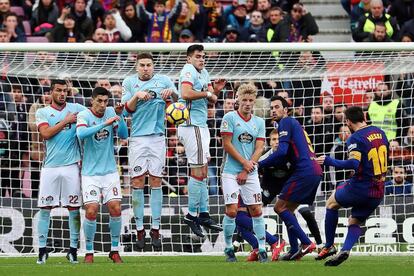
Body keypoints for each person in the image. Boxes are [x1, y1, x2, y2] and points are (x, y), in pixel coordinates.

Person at [316, 106, 389, 266]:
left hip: (361, 186)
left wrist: (329, 161)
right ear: (363, 116)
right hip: (378, 190)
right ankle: (346, 249)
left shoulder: (355, 138)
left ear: (348, 121)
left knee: (331, 203)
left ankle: (328, 246)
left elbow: (353, 164)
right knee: (354, 221)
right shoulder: (381, 132)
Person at [122, 52, 178, 250]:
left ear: (153, 66)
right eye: (142, 65)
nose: (146, 68)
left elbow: (180, 100)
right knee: (137, 180)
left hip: (158, 138)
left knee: (155, 180)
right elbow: (125, 110)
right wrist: (137, 96)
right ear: (136, 67)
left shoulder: (164, 80)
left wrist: (171, 93)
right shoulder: (129, 83)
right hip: (137, 138)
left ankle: (155, 228)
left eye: (149, 65)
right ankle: (139, 230)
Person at [258, 95, 322, 261]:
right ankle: (294, 249)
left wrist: (259, 164)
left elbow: (281, 152)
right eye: (271, 107)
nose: (273, 110)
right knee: (289, 210)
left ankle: (306, 243)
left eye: (277, 107)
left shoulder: (286, 122)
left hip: (304, 171)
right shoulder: (294, 124)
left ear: (286, 110)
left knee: (279, 207)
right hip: (314, 170)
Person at [35, 79, 86, 264]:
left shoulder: (78, 108)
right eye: (58, 90)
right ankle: (42, 250)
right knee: (45, 208)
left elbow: (95, 113)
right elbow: (46, 134)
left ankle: (73, 250)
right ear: (51, 92)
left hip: (72, 166)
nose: (62, 93)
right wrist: (66, 121)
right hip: (50, 167)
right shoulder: (42, 112)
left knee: (73, 208)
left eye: (65, 90)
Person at [177, 44, 225, 237]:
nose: (201, 59)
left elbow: (212, 98)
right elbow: (185, 93)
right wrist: (207, 93)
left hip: (201, 125)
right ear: (189, 58)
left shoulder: (204, 72)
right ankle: (190, 215)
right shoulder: (188, 70)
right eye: (198, 56)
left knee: (203, 171)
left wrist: (217, 91)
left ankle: (204, 214)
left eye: (203, 56)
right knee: (197, 171)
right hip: (191, 125)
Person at [76, 87, 127, 263]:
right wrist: (105, 124)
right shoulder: (84, 115)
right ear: (92, 100)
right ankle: (89, 252)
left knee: (116, 208)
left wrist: (119, 119)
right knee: (91, 211)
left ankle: (114, 250)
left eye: (106, 101)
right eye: (100, 101)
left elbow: (123, 134)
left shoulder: (111, 111)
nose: (103, 105)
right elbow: (81, 134)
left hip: (110, 172)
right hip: (90, 173)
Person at [220, 83, 267, 262]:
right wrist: (243, 164)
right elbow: (227, 144)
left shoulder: (259, 122)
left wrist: (248, 169)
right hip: (231, 171)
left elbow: (260, 146)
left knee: (256, 210)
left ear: (254, 102)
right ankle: (228, 247)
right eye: (244, 100)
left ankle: (262, 249)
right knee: (232, 211)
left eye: (250, 100)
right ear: (238, 100)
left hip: (250, 172)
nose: (247, 103)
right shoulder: (229, 118)